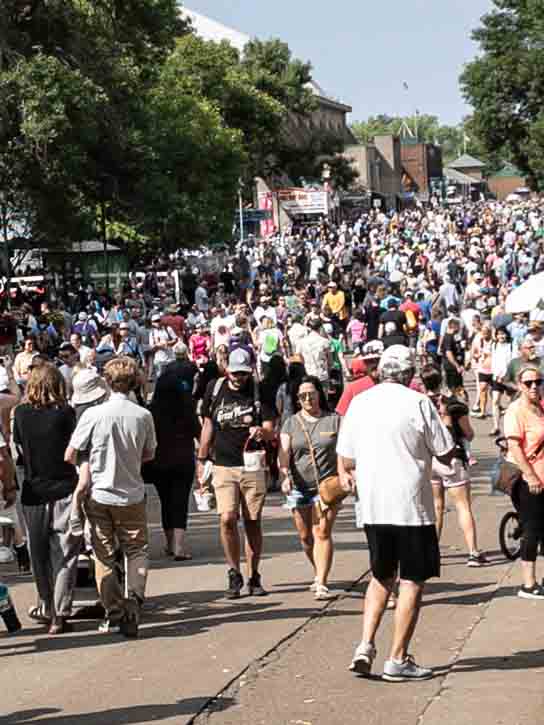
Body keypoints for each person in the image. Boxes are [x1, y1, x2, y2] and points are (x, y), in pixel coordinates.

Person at [337, 345, 454, 681]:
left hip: (373, 506)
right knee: (412, 581)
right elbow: (445, 452)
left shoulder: (361, 403)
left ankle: (364, 645)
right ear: (408, 374)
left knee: (380, 576)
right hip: (411, 507)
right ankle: (397, 659)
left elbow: (345, 457)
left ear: (381, 371)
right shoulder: (417, 402)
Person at [65, 357, 157, 636]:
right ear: (134, 382)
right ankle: (134, 598)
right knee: (136, 549)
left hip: (100, 494)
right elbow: (150, 453)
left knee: (103, 555)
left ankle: (114, 609)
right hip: (131, 492)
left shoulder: (93, 415)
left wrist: (89, 464)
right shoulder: (142, 415)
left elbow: (70, 453)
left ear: (107, 382)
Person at [197, 348, 276, 599]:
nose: (239, 377)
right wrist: (201, 458)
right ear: (227, 369)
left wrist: (261, 432)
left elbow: (271, 427)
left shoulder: (258, 390)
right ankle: (234, 572)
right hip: (223, 464)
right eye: (235, 372)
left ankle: (254, 575)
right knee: (227, 518)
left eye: (243, 373)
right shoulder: (215, 387)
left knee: (252, 520)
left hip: (252, 464)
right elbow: (208, 423)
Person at [14, 364, 79, 635]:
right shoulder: (65, 412)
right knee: (65, 554)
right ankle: (60, 612)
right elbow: (75, 447)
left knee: (38, 554)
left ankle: (46, 605)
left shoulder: (21, 413)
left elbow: (18, 446)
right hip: (63, 487)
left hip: (34, 490)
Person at [278, 376, 341, 600]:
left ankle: (322, 581)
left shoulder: (334, 420)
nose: (308, 399)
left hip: (327, 486)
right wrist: (284, 474)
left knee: (321, 532)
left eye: (311, 394)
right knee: (306, 537)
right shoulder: (291, 423)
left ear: (319, 394)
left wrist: (347, 474)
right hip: (298, 486)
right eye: (302, 395)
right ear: (297, 399)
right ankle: (318, 570)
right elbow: (284, 452)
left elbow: (345, 451)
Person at [420, 365, 487, 567]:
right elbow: (469, 434)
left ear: (423, 383)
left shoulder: (420, 404)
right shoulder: (454, 405)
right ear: (441, 381)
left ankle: (433, 551)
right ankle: (473, 552)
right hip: (452, 459)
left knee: (436, 507)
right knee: (463, 506)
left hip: (431, 461)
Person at [145, 370, 201, 560]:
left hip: (157, 463)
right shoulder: (186, 410)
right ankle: (178, 546)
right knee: (180, 502)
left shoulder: (151, 412)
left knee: (166, 502)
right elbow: (199, 434)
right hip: (183, 462)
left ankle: (169, 544)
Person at [503, 364, 544, 599]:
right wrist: (530, 476)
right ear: (519, 385)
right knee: (532, 529)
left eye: (538, 382)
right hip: (528, 481)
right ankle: (528, 585)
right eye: (528, 383)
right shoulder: (516, 410)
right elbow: (514, 447)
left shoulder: (540, 406)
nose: (534, 386)